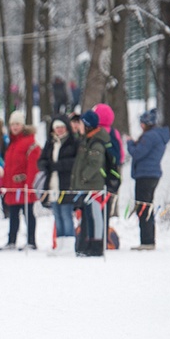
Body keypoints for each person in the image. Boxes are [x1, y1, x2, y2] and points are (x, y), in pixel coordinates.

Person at [71, 109, 117, 257]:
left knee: (96, 216)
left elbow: (95, 164)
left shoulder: (97, 142)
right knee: (87, 216)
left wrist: (84, 177)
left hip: (94, 185)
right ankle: (86, 243)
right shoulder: (87, 139)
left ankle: (97, 245)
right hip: (86, 186)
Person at [126, 108, 170, 250]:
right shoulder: (157, 135)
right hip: (151, 174)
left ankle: (147, 241)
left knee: (143, 208)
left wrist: (130, 143)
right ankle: (148, 239)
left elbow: (137, 153)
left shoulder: (150, 137)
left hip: (145, 175)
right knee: (146, 207)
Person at [0, 110, 41, 250]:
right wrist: (4, 184)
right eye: (12, 124)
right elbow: (8, 166)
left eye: (17, 124)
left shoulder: (29, 142)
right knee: (13, 215)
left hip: (24, 186)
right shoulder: (11, 143)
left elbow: (32, 165)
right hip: (12, 187)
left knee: (28, 214)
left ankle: (31, 241)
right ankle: (11, 241)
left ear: (22, 125)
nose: (15, 127)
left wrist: (29, 185)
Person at [38, 116, 79, 255]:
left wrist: (58, 165)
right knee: (57, 215)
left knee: (66, 214)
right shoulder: (50, 143)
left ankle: (69, 244)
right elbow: (42, 159)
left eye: (62, 127)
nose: (59, 130)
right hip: (52, 184)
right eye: (57, 127)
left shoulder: (73, 142)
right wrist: (45, 165)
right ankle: (60, 243)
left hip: (66, 184)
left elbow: (75, 162)